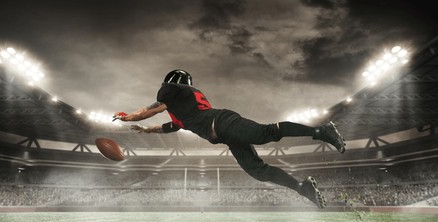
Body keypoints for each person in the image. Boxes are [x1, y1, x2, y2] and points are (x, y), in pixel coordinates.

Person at [113, 69, 346, 208]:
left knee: (266, 133)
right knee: (257, 170)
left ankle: (322, 131)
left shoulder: (171, 91)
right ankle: (302, 188)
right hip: (225, 132)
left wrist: (127, 117)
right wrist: (145, 131)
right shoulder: (184, 113)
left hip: (223, 123)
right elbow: (166, 126)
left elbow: (148, 110)